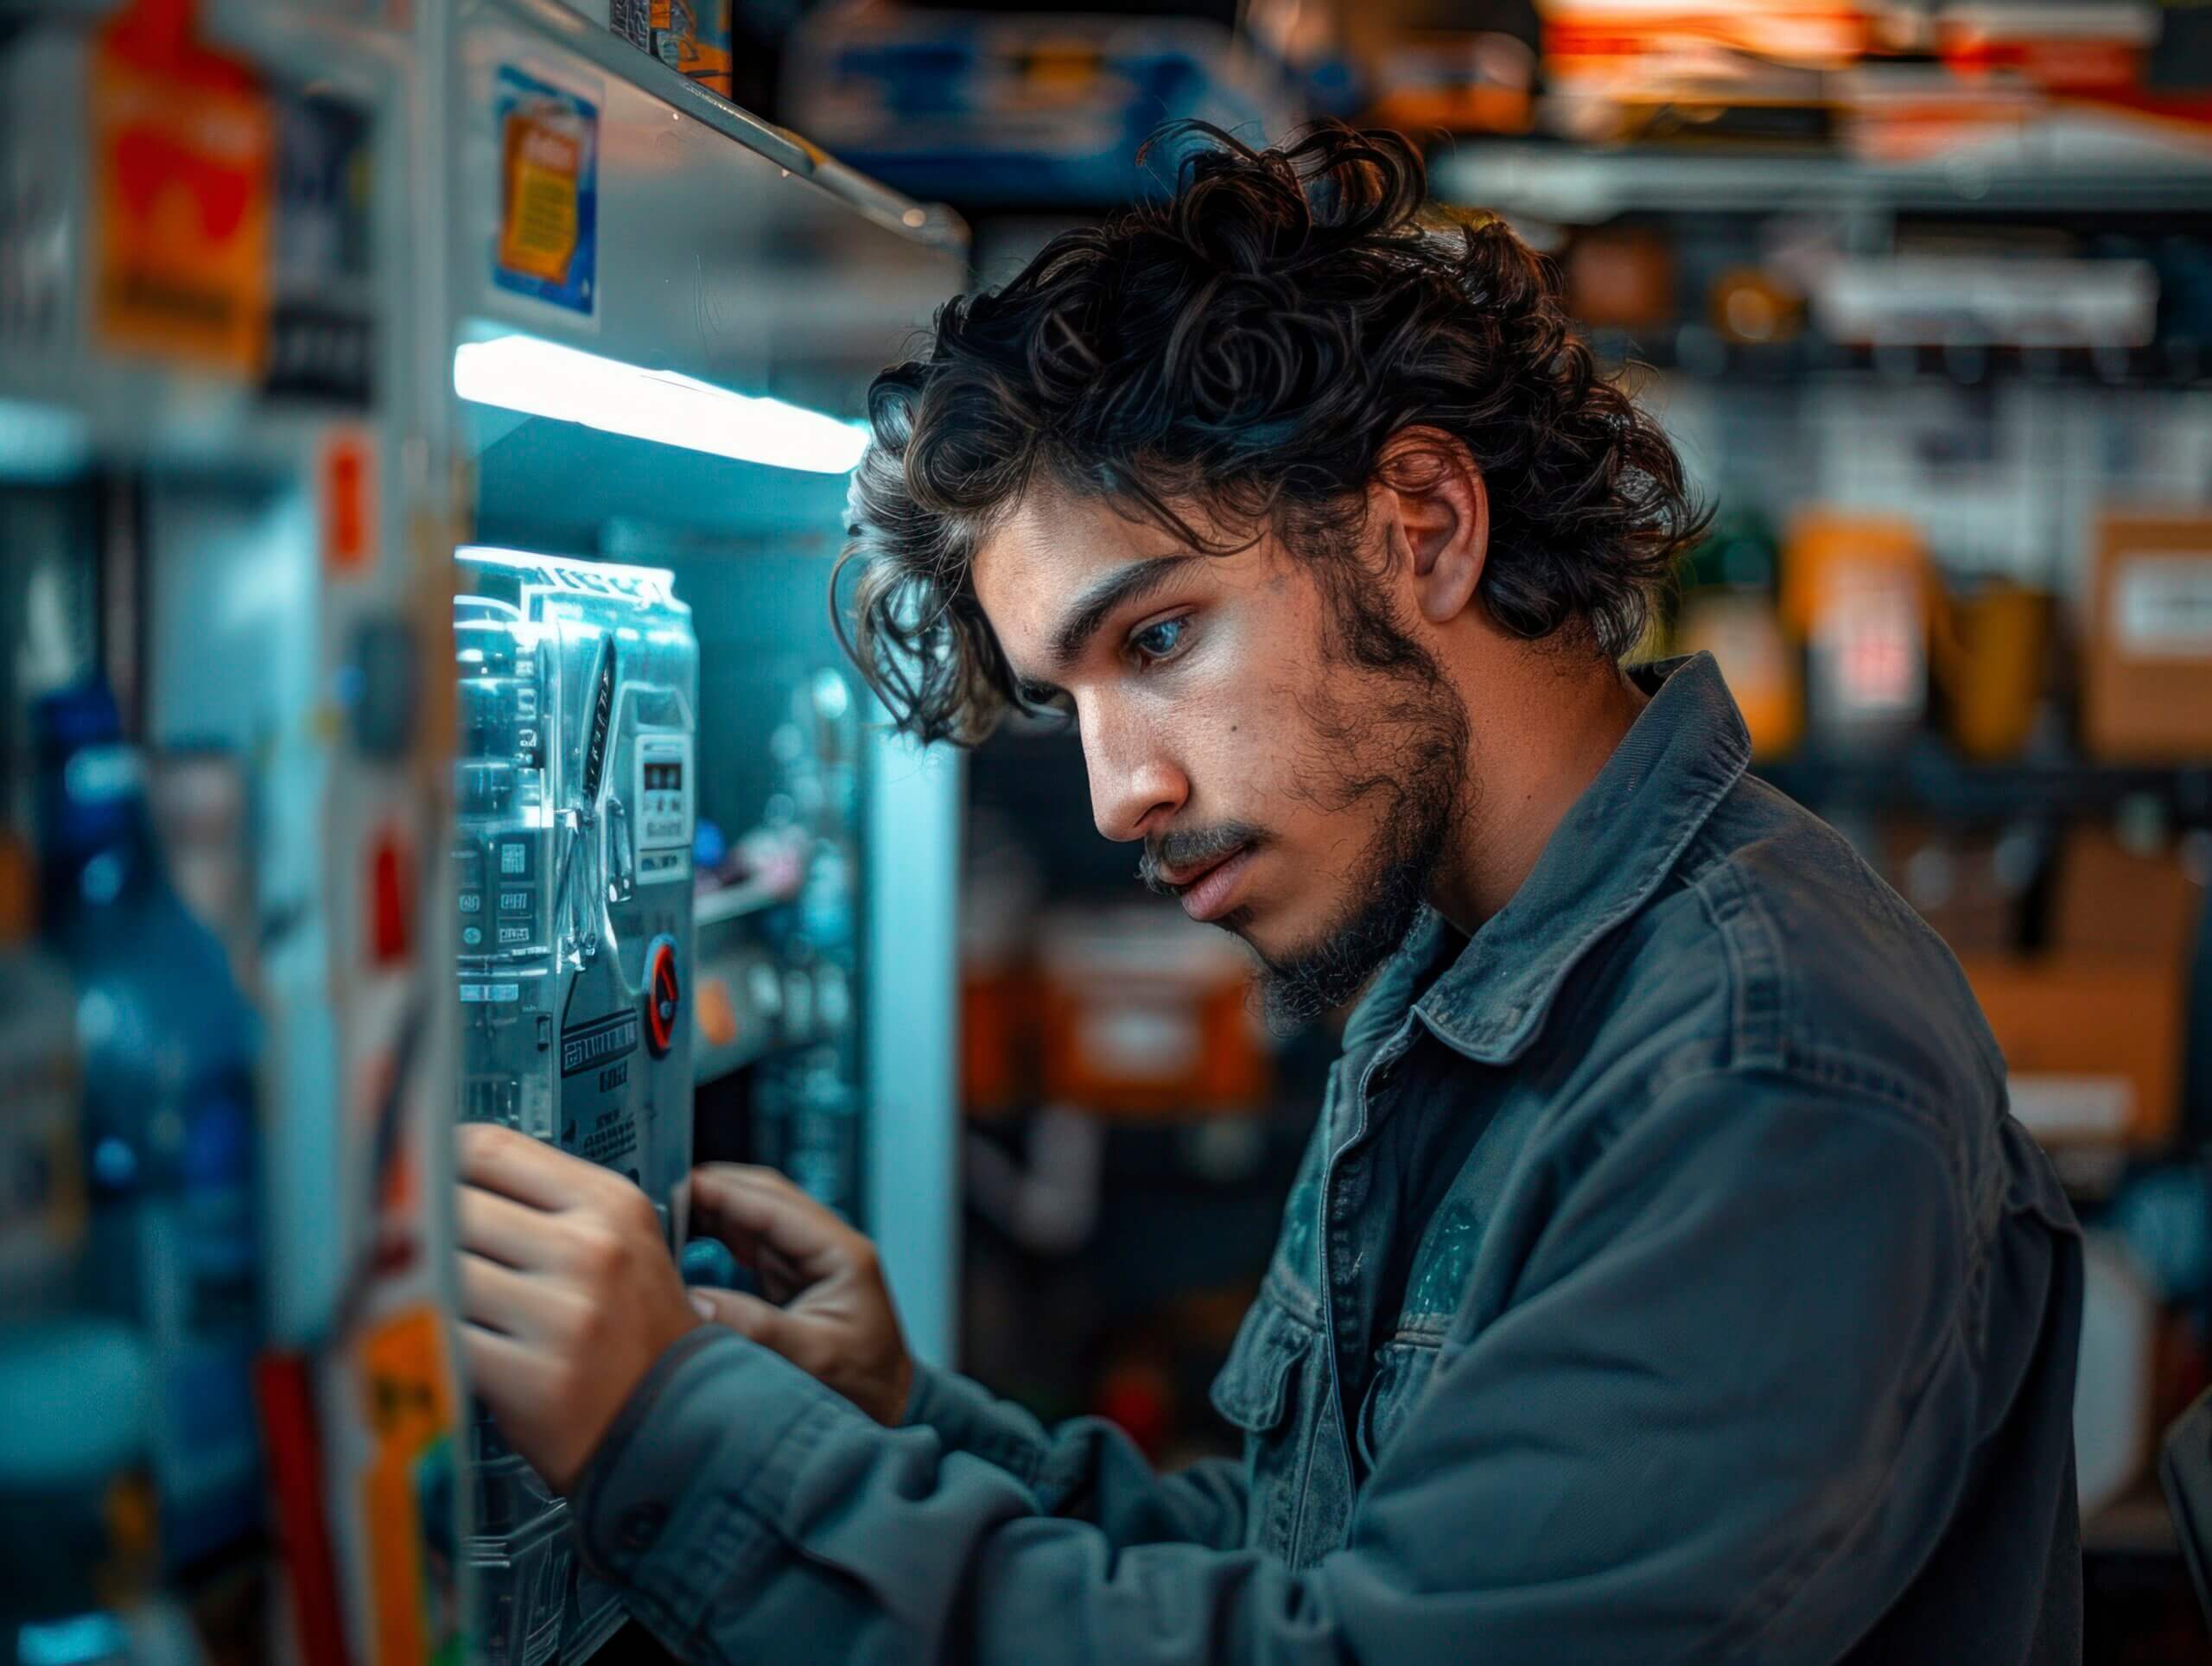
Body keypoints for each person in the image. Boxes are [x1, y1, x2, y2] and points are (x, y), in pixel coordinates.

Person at [456, 124, 2083, 1663]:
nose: (1119, 795)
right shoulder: (1471, 969)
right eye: (1069, 702)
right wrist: (895, 1424)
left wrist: (680, 1442)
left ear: (1426, 525)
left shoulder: (1762, 1070)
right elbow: (1321, 1569)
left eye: (1158, 640)